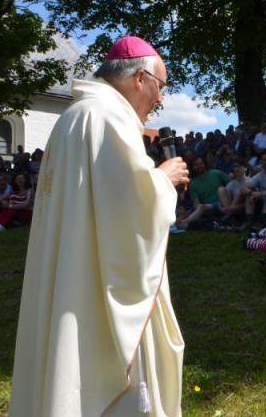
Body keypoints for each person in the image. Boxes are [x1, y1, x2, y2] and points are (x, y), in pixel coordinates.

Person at [10, 35, 188, 416]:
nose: (159, 100)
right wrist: (163, 178)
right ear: (140, 78)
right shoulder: (107, 117)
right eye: (161, 87)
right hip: (101, 281)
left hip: (76, 267)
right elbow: (129, 206)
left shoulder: (74, 118)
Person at [175, 157, 230, 230]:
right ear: (193, 167)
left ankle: (185, 222)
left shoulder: (216, 173)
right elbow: (196, 202)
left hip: (223, 202)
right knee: (193, 209)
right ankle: (184, 222)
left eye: (200, 164)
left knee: (201, 207)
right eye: (196, 165)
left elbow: (230, 185)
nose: (199, 166)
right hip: (208, 207)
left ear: (204, 164)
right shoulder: (193, 184)